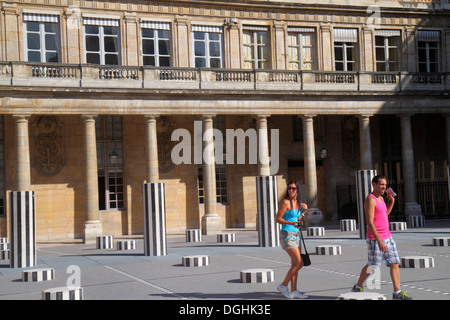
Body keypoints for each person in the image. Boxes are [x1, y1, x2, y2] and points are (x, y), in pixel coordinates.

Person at [351, 175, 412, 300]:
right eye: (381, 184)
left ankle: (397, 293)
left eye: (385, 184)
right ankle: (357, 286)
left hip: (388, 236)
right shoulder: (371, 199)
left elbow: (384, 215)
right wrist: (379, 241)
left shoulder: (381, 199)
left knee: (395, 263)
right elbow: (370, 222)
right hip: (375, 239)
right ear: (374, 184)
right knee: (372, 266)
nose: (384, 187)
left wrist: (391, 203)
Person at [276, 180, 309, 299]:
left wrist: (304, 212)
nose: (291, 190)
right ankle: (283, 285)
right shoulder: (285, 202)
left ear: (297, 190)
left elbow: (297, 218)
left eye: (293, 188)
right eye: (289, 188)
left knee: (294, 263)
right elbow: (278, 219)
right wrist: (292, 222)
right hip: (287, 234)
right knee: (299, 263)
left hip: (296, 234)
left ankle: (294, 290)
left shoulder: (297, 203)